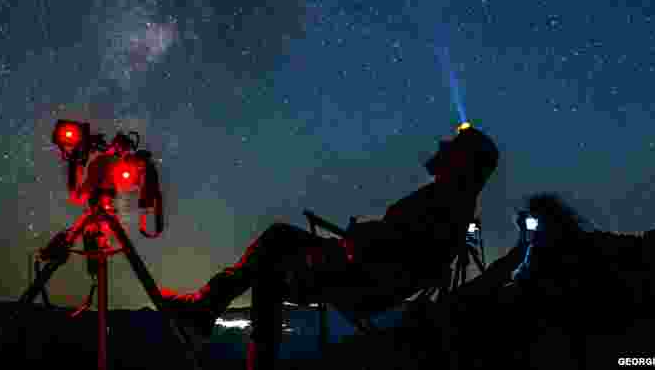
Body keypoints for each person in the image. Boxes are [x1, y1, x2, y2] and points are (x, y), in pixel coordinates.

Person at [159, 125, 501, 369]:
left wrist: (356, 242)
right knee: (276, 245)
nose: (441, 146)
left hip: (363, 279)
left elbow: (401, 247)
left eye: (451, 145)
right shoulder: (452, 204)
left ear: (461, 161)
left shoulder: (443, 202)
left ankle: (206, 309)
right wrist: (365, 239)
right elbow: (406, 245)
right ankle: (207, 309)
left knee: (271, 265)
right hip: (368, 271)